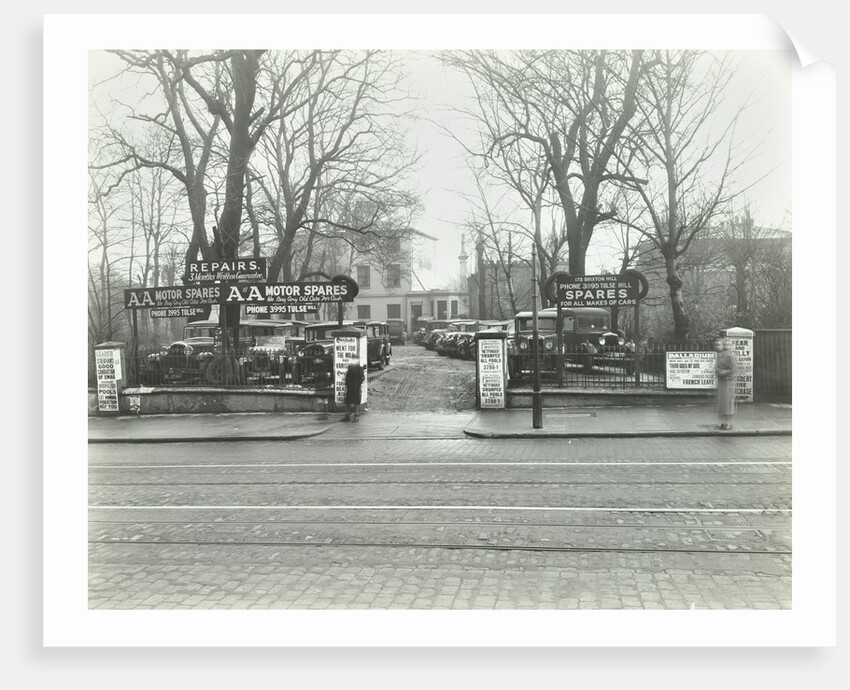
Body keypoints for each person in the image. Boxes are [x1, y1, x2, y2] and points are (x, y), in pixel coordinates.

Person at [714, 336, 738, 430]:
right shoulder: (719, 355)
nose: (727, 346)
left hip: (729, 382)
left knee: (728, 403)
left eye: (729, 344)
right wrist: (718, 371)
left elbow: (734, 370)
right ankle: (722, 422)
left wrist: (724, 372)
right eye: (725, 344)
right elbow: (715, 367)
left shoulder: (731, 356)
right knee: (721, 403)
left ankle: (728, 423)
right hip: (721, 382)